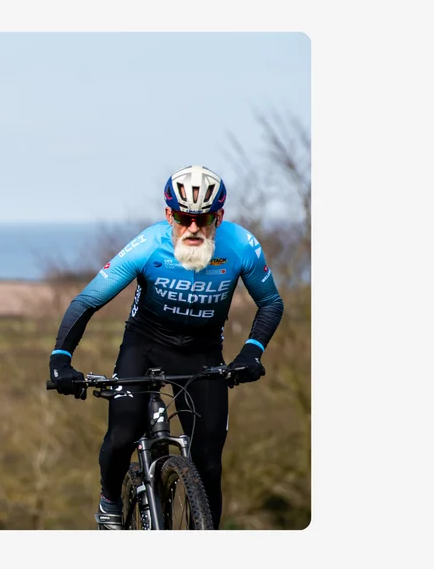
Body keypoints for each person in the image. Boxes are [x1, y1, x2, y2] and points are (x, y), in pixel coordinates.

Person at [47, 165, 284, 530]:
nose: (193, 228)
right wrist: (61, 359)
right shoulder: (148, 246)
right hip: (145, 345)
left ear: (219, 216)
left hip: (203, 353)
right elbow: (87, 301)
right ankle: (110, 503)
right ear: (168, 214)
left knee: (208, 463)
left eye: (203, 219)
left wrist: (252, 352)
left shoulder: (241, 247)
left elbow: (271, 303)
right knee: (123, 434)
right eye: (183, 218)